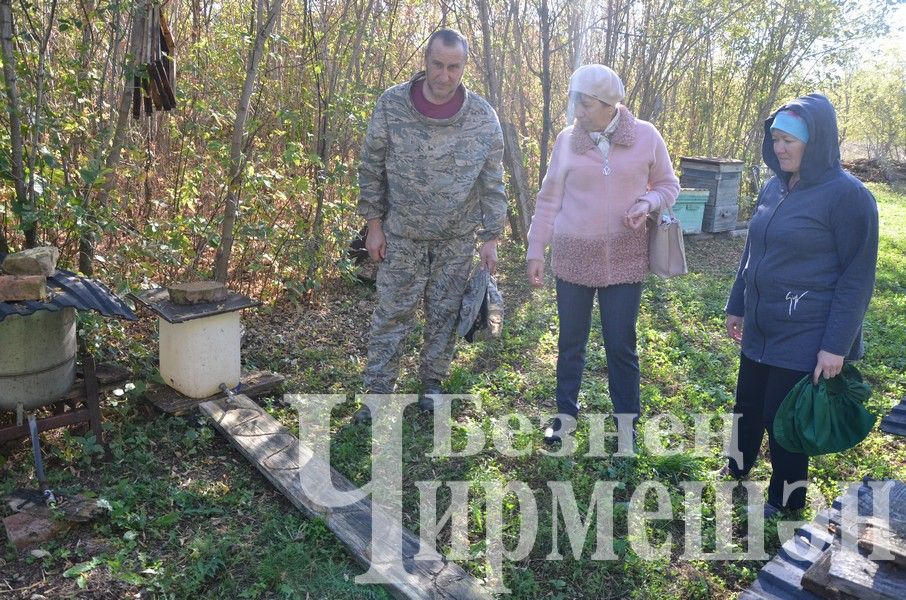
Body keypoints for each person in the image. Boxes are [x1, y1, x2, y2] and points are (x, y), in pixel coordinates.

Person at [723, 93, 879, 516]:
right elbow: (753, 250)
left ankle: (786, 500)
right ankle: (737, 469)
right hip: (761, 322)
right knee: (748, 402)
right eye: (775, 138)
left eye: (790, 139)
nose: (780, 148)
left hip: (806, 331)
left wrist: (836, 346)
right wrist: (737, 303)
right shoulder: (775, 186)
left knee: (784, 418)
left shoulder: (849, 196)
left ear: (818, 141)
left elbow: (857, 277)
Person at [356, 28, 507, 418]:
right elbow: (371, 167)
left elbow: (492, 181)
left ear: (464, 67)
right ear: (425, 61)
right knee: (391, 315)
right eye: (437, 65)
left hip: (456, 238)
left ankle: (432, 385)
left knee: (443, 315)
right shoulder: (392, 105)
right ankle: (377, 394)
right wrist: (374, 224)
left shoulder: (482, 117)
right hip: (401, 235)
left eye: (453, 67)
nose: (444, 75)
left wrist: (491, 237)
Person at [526, 64, 679, 443]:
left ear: (611, 105)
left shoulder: (645, 137)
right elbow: (549, 199)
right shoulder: (566, 141)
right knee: (570, 342)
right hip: (573, 256)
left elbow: (668, 185)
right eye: (574, 101)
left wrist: (648, 201)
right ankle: (564, 417)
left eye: (586, 104)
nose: (578, 111)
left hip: (625, 259)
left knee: (621, 344)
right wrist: (535, 249)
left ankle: (626, 424)